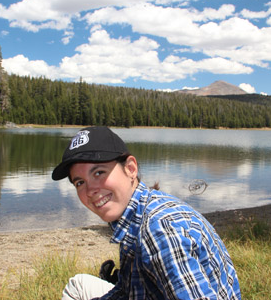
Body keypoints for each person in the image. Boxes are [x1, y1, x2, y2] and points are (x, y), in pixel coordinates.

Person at [52, 126, 241, 300]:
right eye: (80, 182)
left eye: (99, 172)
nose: (90, 190)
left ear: (130, 168)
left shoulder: (159, 231)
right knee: (79, 284)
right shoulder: (142, 210)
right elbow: (127, 290)